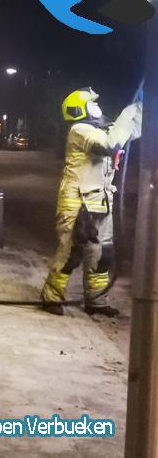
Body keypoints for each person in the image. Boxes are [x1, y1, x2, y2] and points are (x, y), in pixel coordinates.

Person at [41, 87, 142, 316]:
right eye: (92, 103)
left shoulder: (100, 129)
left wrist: (142, 110)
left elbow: (126, 132)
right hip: (76, 202)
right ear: (81, 109)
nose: (97, 107)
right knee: (70, 252)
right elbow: (109, 144)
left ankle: (97, 301)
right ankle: (51, 296)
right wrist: (128, 113)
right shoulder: (80, 130)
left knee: (102, 253)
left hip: (99, 200)